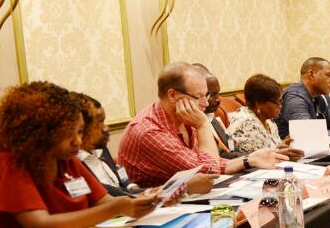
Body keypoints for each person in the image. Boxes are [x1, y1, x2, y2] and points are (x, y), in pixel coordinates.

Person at [0, 81, 163, 228]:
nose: (77, 141)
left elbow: (105, 201)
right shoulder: (11, 163)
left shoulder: (66, 159)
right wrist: (116, 208)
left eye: (79, 131)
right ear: (40, 132)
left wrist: (150, 199)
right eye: (67, 134)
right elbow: (40, 225)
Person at [121, 63, 286, 187]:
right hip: (153, 213)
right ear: (172, 95)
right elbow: (209, 171)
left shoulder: (184, 116)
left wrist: (250, 159)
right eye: (199, 96)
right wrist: (203, 125)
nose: (205, 103)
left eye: (206, 95)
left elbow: (207, 162)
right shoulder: (150, 131)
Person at [227, 74, 302, 158]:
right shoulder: (245, 124)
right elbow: (253, 159)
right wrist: (279, 154)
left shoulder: (269, 121)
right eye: (277, 102)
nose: (280, 106)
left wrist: (282, 145)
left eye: (281, 101)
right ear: (259, 103)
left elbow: (271, 149)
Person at [73, 94, 134, 196]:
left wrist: (134, 188)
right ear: (83, 126)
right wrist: (137, 197)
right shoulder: (73, 162)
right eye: (100, 122)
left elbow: (117, 170)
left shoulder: (100, 147)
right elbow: (100, 192)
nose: (106, 128)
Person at [192, 64, 239, 160]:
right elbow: (218, 156)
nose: (218, 99)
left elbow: (231, 149)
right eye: (211, 95)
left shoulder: (212, 116)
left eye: (218, 93)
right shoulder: (192, 123)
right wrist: (248, 159)